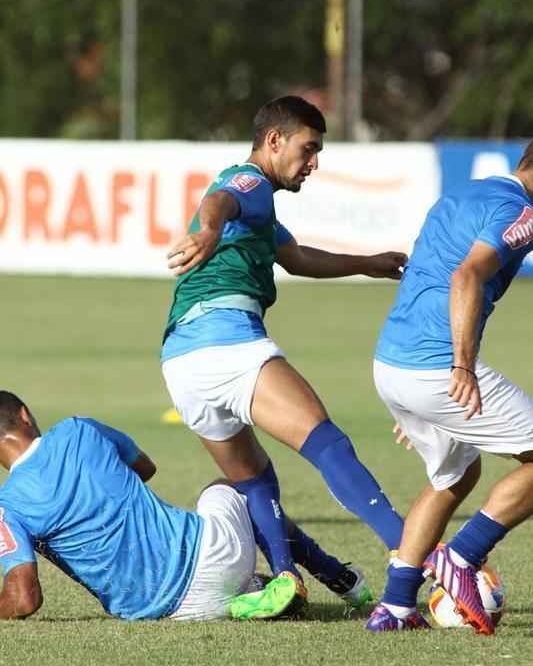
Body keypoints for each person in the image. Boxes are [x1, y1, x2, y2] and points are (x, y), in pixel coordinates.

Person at [161, 95, 407, 607]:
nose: (314, 163)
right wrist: (207, 229)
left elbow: (295, 257)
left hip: (180, 361)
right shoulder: (248, 182)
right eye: (309, 148)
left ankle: (286, 576)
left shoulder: (261, 212)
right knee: (330, 446)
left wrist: (367, 262)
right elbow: (221, 199)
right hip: (225, 340)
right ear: (274, 141)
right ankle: (415, 554)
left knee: (254, 478)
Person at [366, 141, 533, 634]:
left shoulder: (460, 195)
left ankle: (395, 608)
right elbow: (466, 277)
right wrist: (459, 370)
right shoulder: (522, 212)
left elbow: (428, 274)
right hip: (438, 367)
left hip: (392, 364)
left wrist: (423, 399)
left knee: (453, 477)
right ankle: (461, 558)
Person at [0, 389, 306, 622]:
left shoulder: (8, 506)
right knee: (230, 486)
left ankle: (246, 591)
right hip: (214, 556)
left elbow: (23, 598)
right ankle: (296, 574)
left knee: (217, 588)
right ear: (25, 415)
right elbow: (145, 467)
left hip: (168, 612)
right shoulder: (78, 429)